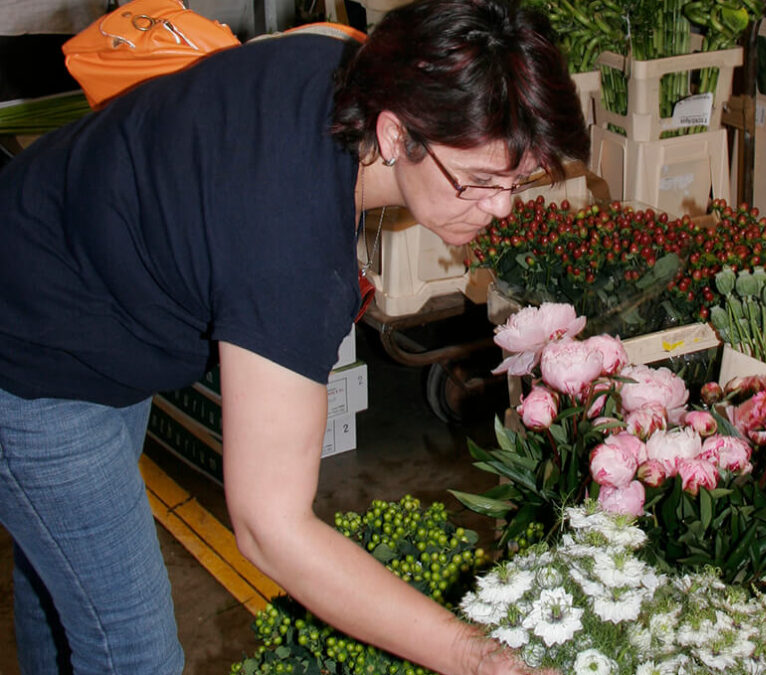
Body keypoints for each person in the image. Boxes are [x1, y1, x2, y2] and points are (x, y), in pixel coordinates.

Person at [0, 0, 589, 671]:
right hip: (33, 358)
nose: (503, 205)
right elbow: (269, 527)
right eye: (480, 180)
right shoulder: (291, 253)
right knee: (133, 650)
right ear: (396, 135)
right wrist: (478, 659)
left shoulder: (348, 58)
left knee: (59, 581)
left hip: (75, 252)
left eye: (521, 179)